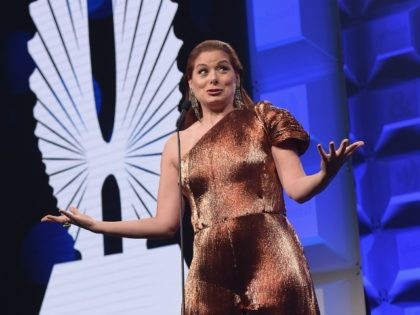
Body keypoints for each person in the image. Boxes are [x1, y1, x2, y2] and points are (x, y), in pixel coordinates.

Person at [42, 40, 364, 314]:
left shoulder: (264, 119)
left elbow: (297, 189)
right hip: (209, 268)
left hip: (271, 256)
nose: (214, 78)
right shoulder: (175, 145)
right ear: (191, 84)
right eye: (203, 71)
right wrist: (96, 225)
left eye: (223, 69)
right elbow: (164, 223)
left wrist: (325, 173)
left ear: (237, 77)